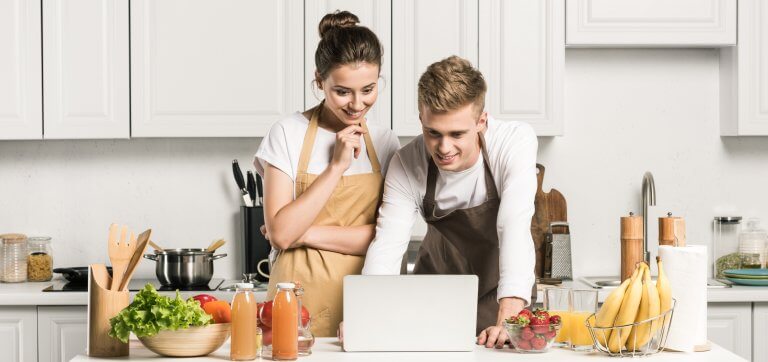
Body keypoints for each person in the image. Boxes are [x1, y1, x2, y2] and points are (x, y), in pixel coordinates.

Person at [361, 56, 538, 348]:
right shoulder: (407, 162)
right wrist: (367, 312)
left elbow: (514, 224)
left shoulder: (514, 141)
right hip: (434, 294)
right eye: (433, 133)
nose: (444, 148)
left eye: (457, 134)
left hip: (502, 294)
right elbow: (388, 244)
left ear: (482, 121)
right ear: (421, 118)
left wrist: (509, 317)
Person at [253, 10, 399, 337]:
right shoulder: (287, 134)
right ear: (320, 81)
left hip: (363, 310)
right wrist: (337, 166)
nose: (357, 104)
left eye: (368, 89)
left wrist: (303, 234)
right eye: (342, 91)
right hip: (293, 309)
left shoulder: (386, 142)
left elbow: (385, 236)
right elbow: (279, 235)